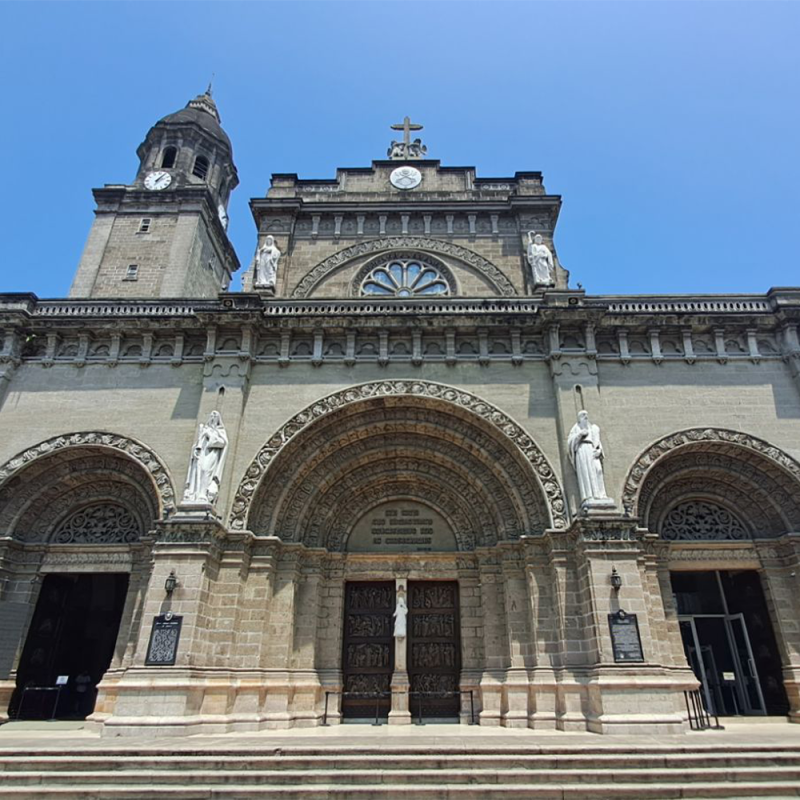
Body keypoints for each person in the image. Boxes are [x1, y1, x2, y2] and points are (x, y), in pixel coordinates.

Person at [183, 411, 229, 504]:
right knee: (198, 472)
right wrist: (196, 449)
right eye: (211, 415)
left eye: (215, 416)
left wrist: (210, 435)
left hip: (212, 454)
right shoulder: (204, 429)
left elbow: (223, 443)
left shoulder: (220, 431)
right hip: (202, 454)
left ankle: (203, 493)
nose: (213, 417)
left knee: (205, 470)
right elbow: (198, 443)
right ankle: (196, 493)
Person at [567, 410, 609, 505]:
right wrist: (580, 435)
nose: (585, 417)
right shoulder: (576, 428)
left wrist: (599, 451)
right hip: (582, 450)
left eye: (586, 415)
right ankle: (589, 495)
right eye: (583, 415)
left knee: (597, 470)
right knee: (586, 472)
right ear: (579, 418)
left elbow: (597, 441)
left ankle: (600, 494)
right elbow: (570, 441)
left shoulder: (593, 428)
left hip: (592, 450)